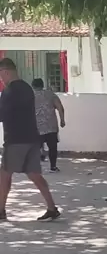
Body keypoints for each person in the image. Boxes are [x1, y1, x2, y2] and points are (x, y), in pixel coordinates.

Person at [0, 58, 60, 221]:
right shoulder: (27, 88)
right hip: (32, 138)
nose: (1, 79)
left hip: (15, 140)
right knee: (35, 174)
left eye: (1, 75)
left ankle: (1, 210)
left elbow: (2, 114)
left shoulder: (9, 91)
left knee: (4, 174)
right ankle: (52, 208)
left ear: (6, 72)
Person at [32, 78, 65, 172]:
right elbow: (60, 108)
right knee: (53, 147)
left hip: (37, 127)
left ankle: (35, 167)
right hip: (51, 126)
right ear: (42, 85)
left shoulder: (30, 96)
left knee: (35, 147)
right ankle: (53, 167)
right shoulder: (51, 94)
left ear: (33, 86)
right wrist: (62, 120)